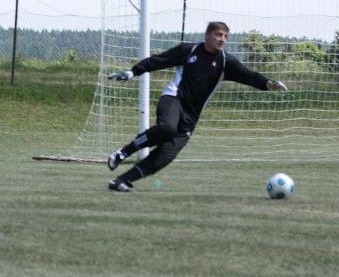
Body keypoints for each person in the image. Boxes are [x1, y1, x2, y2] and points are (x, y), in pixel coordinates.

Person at [106, 21, 288, 193]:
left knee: (166, 155)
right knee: (167, 128)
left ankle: (120, 181)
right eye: (218, 35)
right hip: (173, 98)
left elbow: (249, 76)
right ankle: (123, 152)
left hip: (191, 117)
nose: (222, 39)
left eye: (225, 36)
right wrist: (132, 72)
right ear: (207, 35)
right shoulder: (189, 50)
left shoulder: (225, 62)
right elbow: (158, 60)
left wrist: (268, 84)